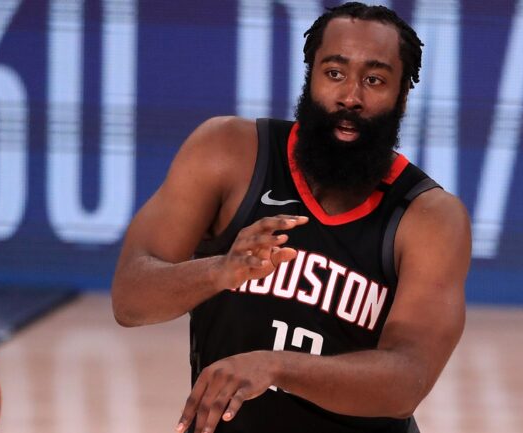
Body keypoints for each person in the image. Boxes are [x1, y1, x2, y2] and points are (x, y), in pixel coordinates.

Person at [111, 2, 471, 433]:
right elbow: (130, 299)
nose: (350, 97)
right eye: (334, 73)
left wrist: (277, 368)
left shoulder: (429, 217)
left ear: (403, 96)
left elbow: (407, 380)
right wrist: (218, 271)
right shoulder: (227, 153)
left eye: (374, 80)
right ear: (311, 74)